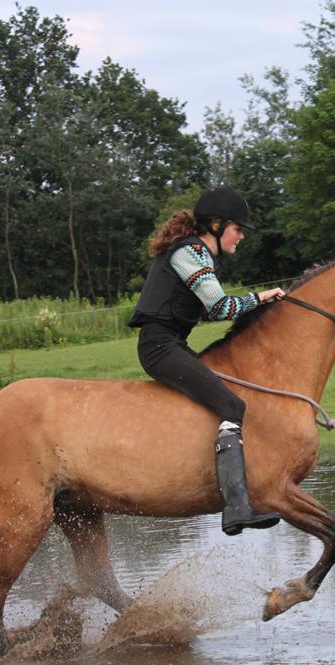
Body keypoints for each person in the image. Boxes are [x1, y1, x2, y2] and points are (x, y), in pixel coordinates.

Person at [128, 186, 287, 535]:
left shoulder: (197, 253)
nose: (241, 236)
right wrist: (260, 298)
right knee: (231, 405)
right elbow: (219, 307)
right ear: (216, 224)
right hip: (160, 348)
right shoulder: (189, 253)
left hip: (172, 345)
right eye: (238, 228)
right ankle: (236, 507)